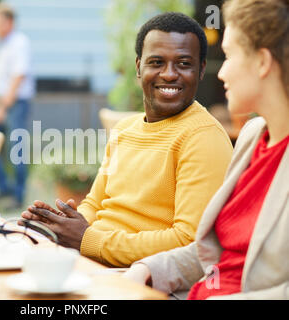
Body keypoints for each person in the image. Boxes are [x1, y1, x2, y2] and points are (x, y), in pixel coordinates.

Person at [21, 12, 233, 267]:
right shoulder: (124, 129)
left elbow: (188, 242)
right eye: (156, 62)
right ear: (138, 67)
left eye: (183, 63)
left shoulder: (203, 138)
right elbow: (95, 203)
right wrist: (63, 225)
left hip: (140, 277)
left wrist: (88, 240)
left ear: (200, 70)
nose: (169, 74)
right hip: (92, 263)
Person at [124, 0, 289, 300]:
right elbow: (218, 251)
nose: (221, 72)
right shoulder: (253, 137)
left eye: (229, 56)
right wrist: (149, 268)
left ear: (263, 63)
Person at [0, 3, 35, 209]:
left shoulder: (19, 42)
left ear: (9, 22)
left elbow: (18, 76)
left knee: (17, 148)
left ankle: (18, 195)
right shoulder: (2, 44)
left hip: (14, 104)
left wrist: (3, 107)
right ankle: (4, 187)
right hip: (0, 103)